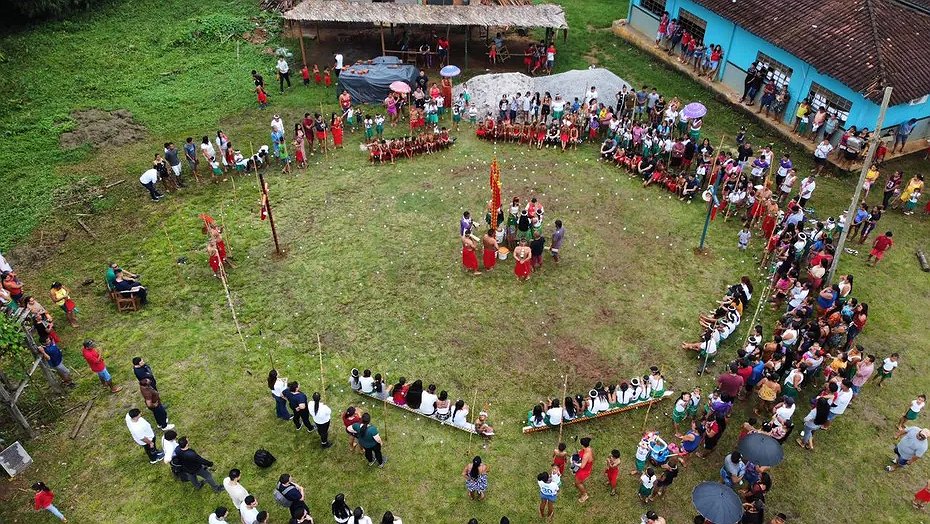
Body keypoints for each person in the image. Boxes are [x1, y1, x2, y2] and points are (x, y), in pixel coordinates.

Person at [574, 436, 594, 503]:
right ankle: (578, 483)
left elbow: (582, 466)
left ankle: (585, 495)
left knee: (578, 482)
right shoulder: (589, 448)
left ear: (582, 445)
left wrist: (575, 463)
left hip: (584, 470)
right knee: (577, 480)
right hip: (587, 466)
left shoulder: (586, 455)